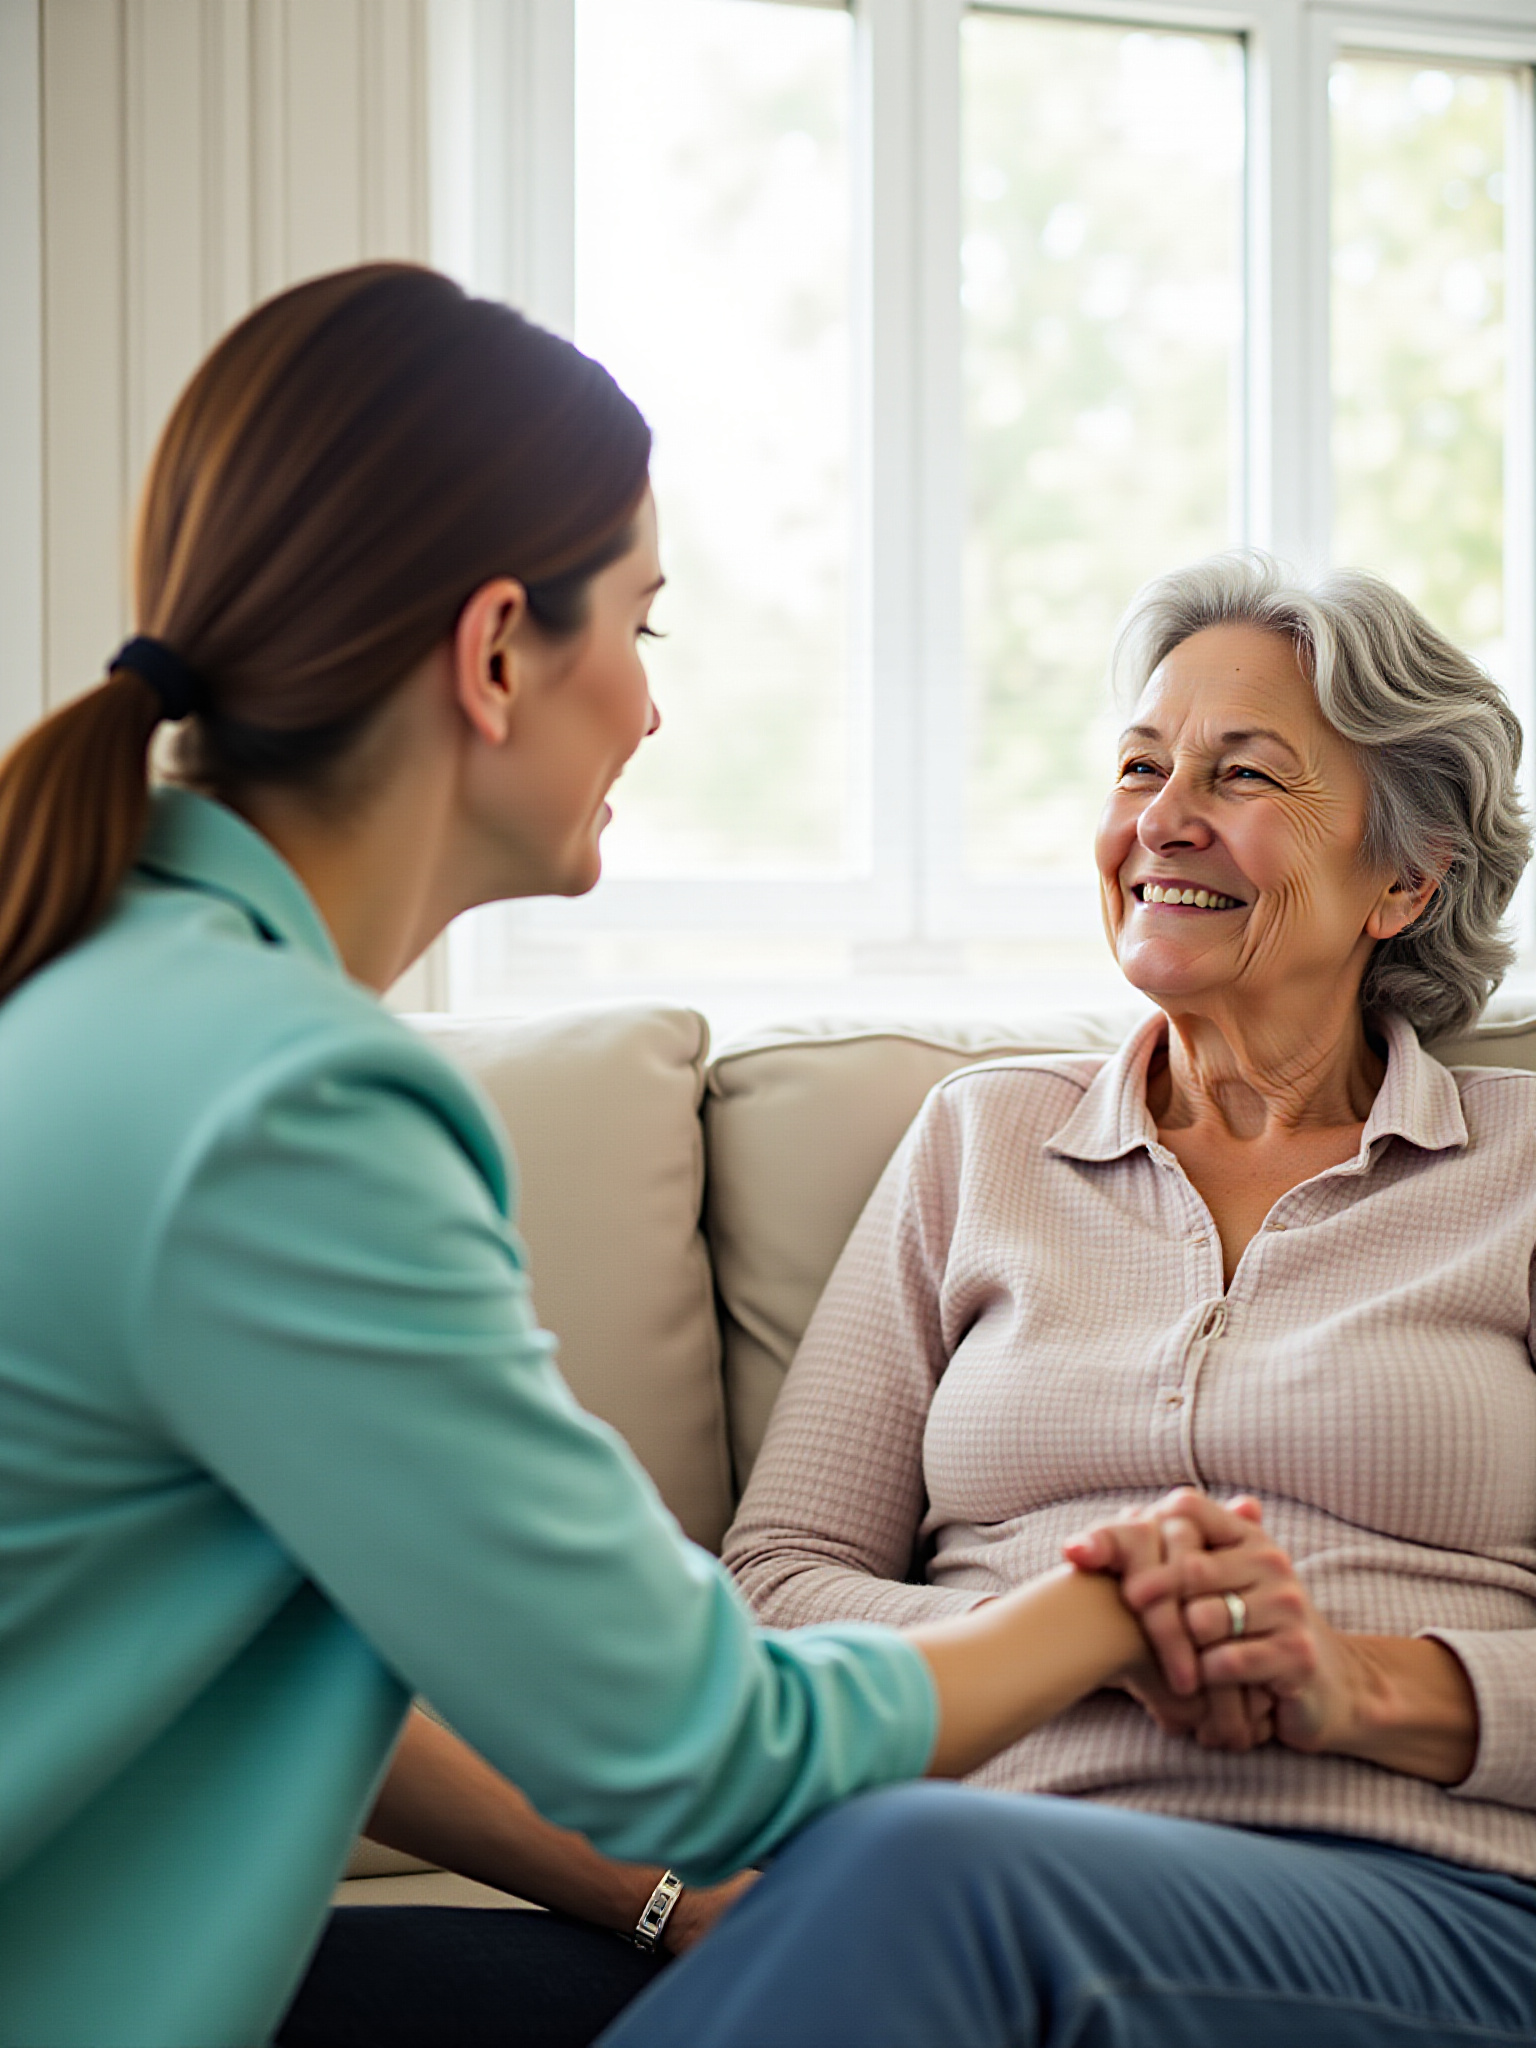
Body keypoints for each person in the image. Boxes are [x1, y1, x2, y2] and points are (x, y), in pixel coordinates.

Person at [0, 259, 1199, 2048]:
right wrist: (1111, 1603)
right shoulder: (293, 1110)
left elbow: (308, 1652)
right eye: (640, 624)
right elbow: (701, 1750)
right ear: (496, 655)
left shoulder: (97, 980)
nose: (648, 705)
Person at [724, 553, 1536, 2046]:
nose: (1162, 818)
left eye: (1244, 775)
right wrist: (1082, 1631)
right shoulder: (982, 1141)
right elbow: (775, 1586)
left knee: (919, 1878)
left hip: (1427, 1895)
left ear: (1404, 879)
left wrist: (1354, 1686)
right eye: (1142, 767)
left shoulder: (1523, 1181)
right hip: (988, 1854)